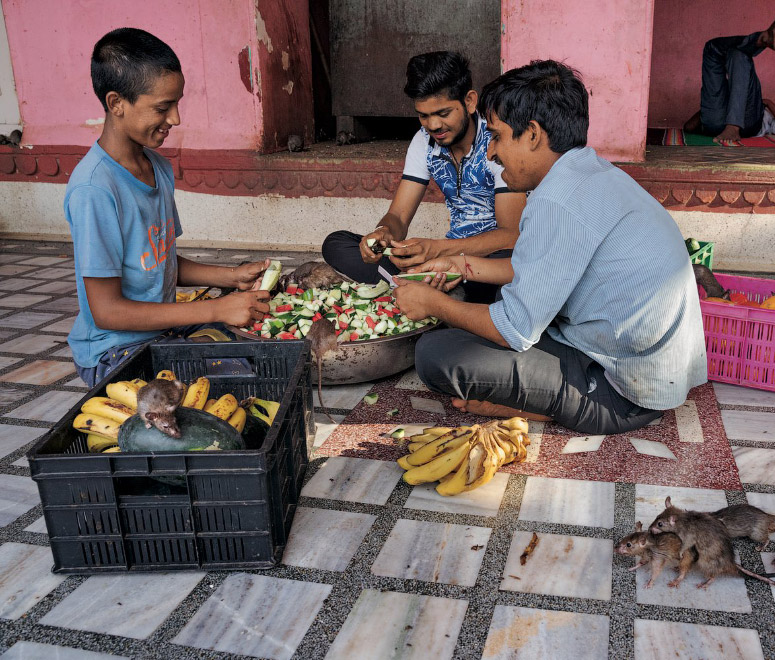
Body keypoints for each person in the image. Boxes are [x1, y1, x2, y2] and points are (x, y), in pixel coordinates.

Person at [392, 60, 707, 435]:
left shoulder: (555, 201)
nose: (491, 153)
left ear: (533, 134)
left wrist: (434, 304)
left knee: (434, 354)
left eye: (496, 136)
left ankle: (557, 404)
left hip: (624, 394)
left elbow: (515, 329)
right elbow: (535, 267)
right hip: (656, 372)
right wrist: (459, 265)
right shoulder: (586, 173)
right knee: (479, 314)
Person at [66, 28, 271, 387]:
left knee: (265, 338)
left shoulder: (157, 168)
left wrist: (230, 277)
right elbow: (107, 310)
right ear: (116, 104)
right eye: (162, 107)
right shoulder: (94, 189)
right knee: (241, 381)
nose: (175, 119)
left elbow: (158, 263)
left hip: (162, 329)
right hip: (115, 351)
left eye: (177, 103)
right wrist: (214, 309)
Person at [321, 51, 526, 303]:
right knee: (337, 244)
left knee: (507, 282)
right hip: (446, 258)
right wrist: (382, 234)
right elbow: (398, 216)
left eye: (443, 113)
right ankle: (429, 288)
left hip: (491, 261)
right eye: (424, 115)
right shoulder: (424, 142)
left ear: (470, 101)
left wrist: (439, 249)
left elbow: (510, 235)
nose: (434, 125)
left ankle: (431, 293)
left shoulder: (496, 139)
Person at [683, 0, 775, 144]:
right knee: (719, 49)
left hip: (747, 124)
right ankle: (763, 39)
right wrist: (718, 103)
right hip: (715, 123)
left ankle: (762, 39)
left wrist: (768, 103)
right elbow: (688, 126)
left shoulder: (768, 117)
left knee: (736, 54)